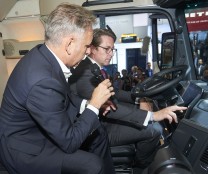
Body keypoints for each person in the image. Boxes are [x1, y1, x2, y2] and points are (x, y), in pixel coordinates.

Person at [0, 4, 116, 174]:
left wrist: (88, 103)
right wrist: (95, 105)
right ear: (69, 44)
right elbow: (69, 143)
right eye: (86, 46)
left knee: (98, 132)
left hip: (34, 133)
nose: (87, 52)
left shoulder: (43, 54)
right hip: (26, 149)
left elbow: (65, 96)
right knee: (93, 165)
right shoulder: (43, 80)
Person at [69, 28, 187, 169]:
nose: (111, 54)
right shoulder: (85, 74)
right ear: (93, 49)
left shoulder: (93, 68)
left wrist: (139, 100)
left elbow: (116, 93)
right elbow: (109, 109)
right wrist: (153, 115)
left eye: (112, 49)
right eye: (107, 49)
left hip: (105, 120)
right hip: (99, 129)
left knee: (144, 116)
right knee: (154, 130)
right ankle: (141, 167)